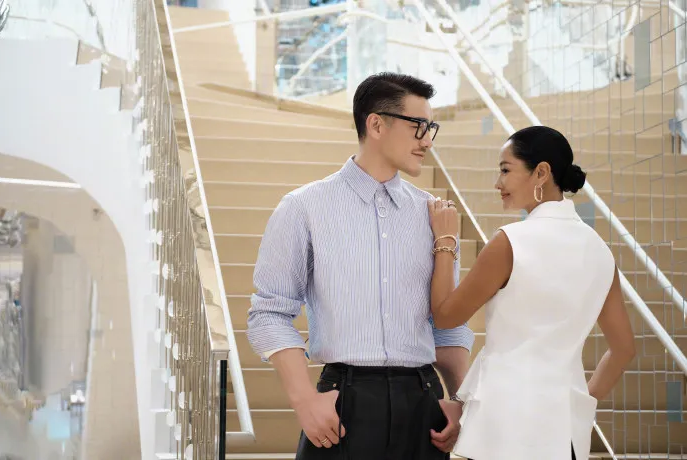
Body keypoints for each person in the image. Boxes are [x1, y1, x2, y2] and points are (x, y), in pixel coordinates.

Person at [247, 72, 475, 460]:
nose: (427, 141)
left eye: (431, 129)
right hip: (344, 403)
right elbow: (269, 312)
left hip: (423, 404)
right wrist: (304, 400)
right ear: (376, 125)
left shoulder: (435, 215)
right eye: (419, 126)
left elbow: (447, 323)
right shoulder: (304, 207)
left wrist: (460, 400)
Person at [428, 125, 636, 460]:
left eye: (505, 170)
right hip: (565, 436)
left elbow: (445, 315)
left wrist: (445, 241)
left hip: (505, 430)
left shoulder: (510, 242)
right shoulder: (601, 252)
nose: (497, 183)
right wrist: (581, 403)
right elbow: (624, 349)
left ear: (541, 172)